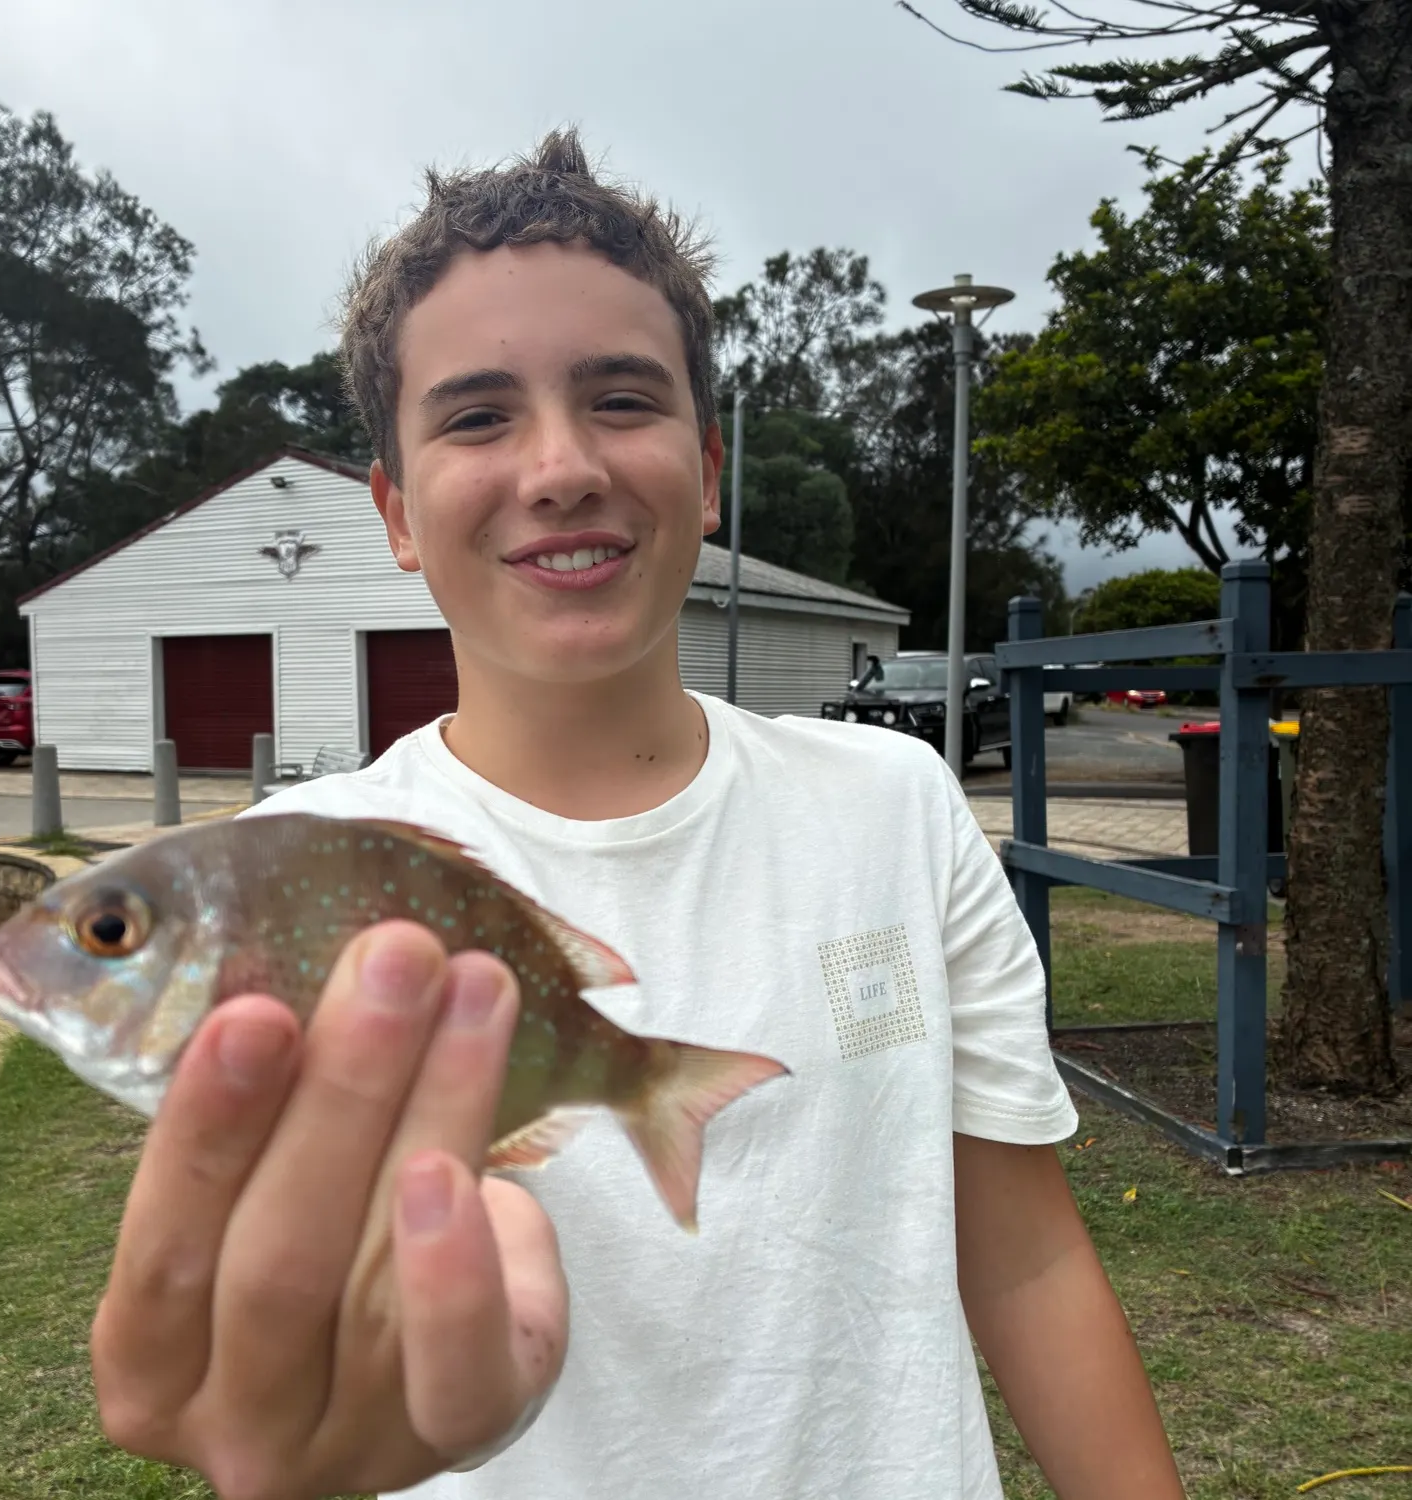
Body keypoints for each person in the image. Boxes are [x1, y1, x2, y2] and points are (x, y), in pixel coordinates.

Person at [89, 132, 1186, 1500]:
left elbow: (1023, 1256)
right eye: (477, 416)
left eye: (621, 398)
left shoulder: (895, 808)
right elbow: (310, 1288)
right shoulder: (294, 875)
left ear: (709, 470)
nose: (561, 467)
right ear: (396, 512)